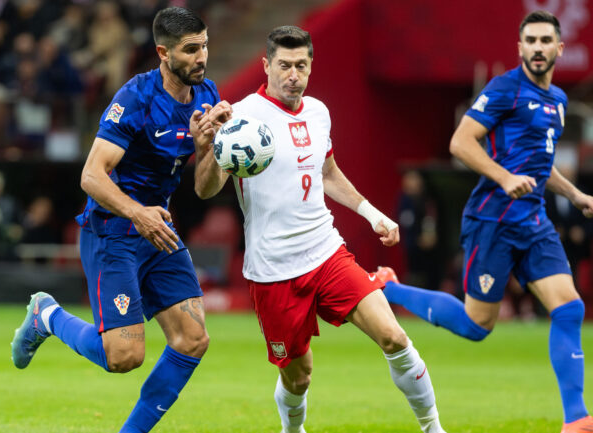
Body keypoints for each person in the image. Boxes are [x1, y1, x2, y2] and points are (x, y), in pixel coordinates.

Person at [191, 26, 446, 433]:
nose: (293, 74)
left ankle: (433, 429)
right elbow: (205, 189)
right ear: (266, 65)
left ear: (311, 67)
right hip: (273, 270)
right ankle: (292, 430)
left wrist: (372, 213)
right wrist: (212, 148)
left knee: (394, 337)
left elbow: (327, 173)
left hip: (326, 251)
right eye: (285, 66)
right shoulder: (239, 116)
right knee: (300, 375)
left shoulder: (318, 112)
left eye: (302, 66)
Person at [380, 11, 593, 433]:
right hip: (492, 219)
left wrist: (575, 195)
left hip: (533, 220)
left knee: (569, 308)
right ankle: (388, 287)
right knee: (478, 326)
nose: (537, 47)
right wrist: (504, 177)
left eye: (545, 40)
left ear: (558, 49)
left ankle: (577, 419)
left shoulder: (559, 101)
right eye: (529, 40)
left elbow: (540, 165)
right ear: (520, 48)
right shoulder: (504, 89)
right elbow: (460, 142)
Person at [11, 7, 229, 433]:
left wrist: (210, 150)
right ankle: (47, 316)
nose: (201, 57)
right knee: (124, 357)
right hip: (113, 232)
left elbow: (205, 189)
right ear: (163, 53)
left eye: (204, 45)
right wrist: (136, 212)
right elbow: (91, 175)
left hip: (158, 231)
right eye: (190, 50)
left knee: (192, 339)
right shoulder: (136, 98)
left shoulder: (206, 96)